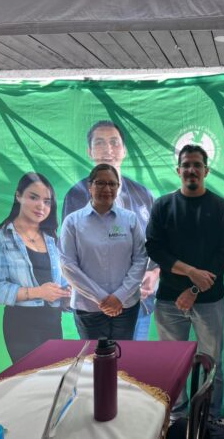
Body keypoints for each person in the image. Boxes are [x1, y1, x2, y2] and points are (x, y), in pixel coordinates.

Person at [146, 144, 224, 426]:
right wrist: (191, 272)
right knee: (172, 364)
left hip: (209, 301)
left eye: (197, 165)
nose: (191, 170)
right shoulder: (162, 205)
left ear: (206, 170)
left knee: (212, 365)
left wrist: (195, 288)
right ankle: (178, 419)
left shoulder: (220, 207)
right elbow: (154, 248)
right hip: (169, 301)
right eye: (186, 165)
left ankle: (211, 420)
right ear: (178, 170)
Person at [62, 120, 158, 340]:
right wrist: (102, 298)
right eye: (100, 183)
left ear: (124, 150)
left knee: (126, 357)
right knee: (94, 358)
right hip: (88, 306)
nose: (106, 188)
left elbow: (141, 258)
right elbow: (68, 264)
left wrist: (120, 297)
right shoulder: (73, 217)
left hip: (129, 304)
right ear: (90, 186)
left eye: (112, 184)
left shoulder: (134, 210)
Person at [0, 172, 71, 363]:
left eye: (47, 201)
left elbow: (60, 279)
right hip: (21, 325)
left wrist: (66, 294)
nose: (41, 206)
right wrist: (39, 292)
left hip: (53, 321)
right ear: (18, 196)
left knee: (54, 377)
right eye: (34, 197)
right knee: (30, 378)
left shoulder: (52, 237)